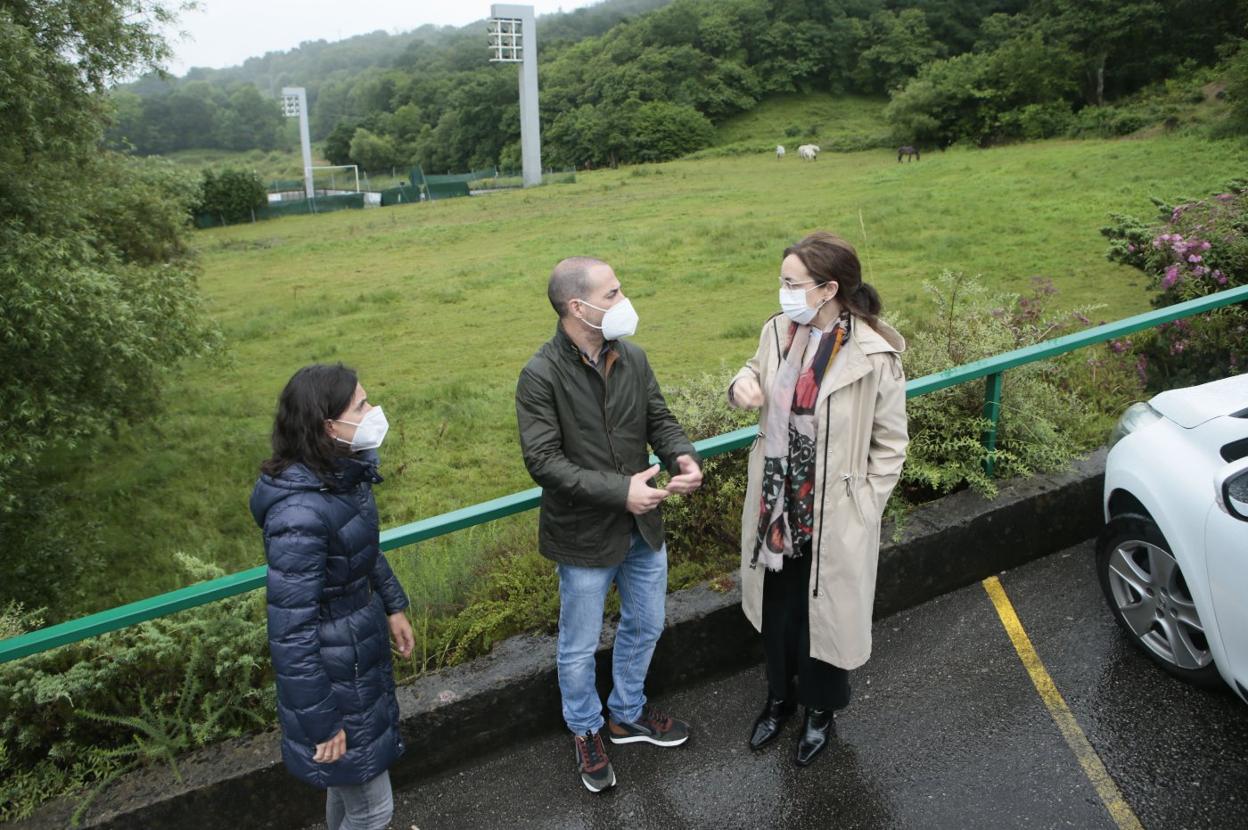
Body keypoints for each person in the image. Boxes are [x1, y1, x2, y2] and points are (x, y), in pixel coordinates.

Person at [515, 256, 704, 793]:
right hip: (583, 537)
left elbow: (659, 419)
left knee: (645, 624)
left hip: (643, 530)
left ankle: (626, 712)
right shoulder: (539, 376)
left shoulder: (633, 357)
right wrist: (621, 492)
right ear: (578, 307)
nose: (624, 301)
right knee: (577, 646)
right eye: (613, 293)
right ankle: (585, 729)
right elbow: (545, 462)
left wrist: (682, 458)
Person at [728, 231, 908, 767]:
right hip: (775, 508)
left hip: (834, 510)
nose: (782, 292)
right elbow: (753, 372)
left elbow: (891, 443)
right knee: (780, 612)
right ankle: (780, 699)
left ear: (828, 289)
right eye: (781, 281)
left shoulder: (874, 355)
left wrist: (864, 504)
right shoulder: (779, 331)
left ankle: (820, 712)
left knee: (823, 618)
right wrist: (741, 384)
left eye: (791, 283)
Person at [250, 363, 415, 830]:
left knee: (348, 795)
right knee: (372, 809)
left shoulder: (341, 477)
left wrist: (392, 604)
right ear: (328, 426)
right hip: (335, 679)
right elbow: (290, 634)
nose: (373, 411)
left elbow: (360, 548)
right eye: (361, 405)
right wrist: (322, 723)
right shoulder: (299, 515)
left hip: (354, 660)